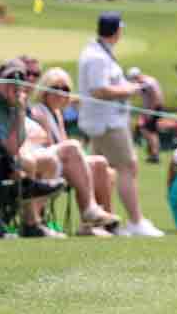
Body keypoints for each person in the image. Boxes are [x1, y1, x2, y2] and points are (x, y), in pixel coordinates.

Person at [76, 12, 164, 237]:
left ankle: (102, 222)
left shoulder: (100, 53)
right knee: (127, 167)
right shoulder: (97, 57)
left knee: (101, 170)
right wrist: (132, 90)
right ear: (117, 31)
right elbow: (99, 90)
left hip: (107, 121)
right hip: (106, 123)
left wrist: (127, 86)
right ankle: (136, 221)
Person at [24, 67, 122, 236]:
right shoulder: (39, 111)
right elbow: (50, 146)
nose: (60, 93)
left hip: (63, 161)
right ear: (45, 90)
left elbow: (62, 145)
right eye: (55, 88)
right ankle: (90, 211)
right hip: (46, 162)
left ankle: (98, 223)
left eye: (65, 89)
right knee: (75, 148)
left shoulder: (57, 113)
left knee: (100, 163)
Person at [0, 62, 65, 238]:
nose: (15, 85)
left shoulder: (13, 103)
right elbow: (10, 148)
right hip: (2, 160)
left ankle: (33, 220)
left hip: (4, 158)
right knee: (20, 161)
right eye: (10, 79)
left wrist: (19, 111)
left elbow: (26, 141)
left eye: (19, 80)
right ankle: (28, 215)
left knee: (49, 161)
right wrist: (19, 112)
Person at [128, 66, 164, 163]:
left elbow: (155, 97)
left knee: (150, 131)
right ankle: (153, 152)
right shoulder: (145, 82)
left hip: (153, 109)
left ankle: (155, 154)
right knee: (146, 130)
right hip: (150, 109)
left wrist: (150, 112)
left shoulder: (148, 83)